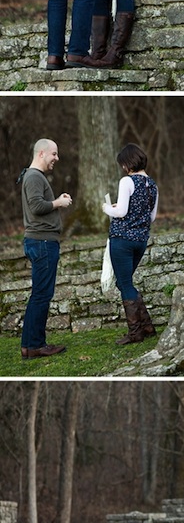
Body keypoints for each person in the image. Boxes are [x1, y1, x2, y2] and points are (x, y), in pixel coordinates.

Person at [18, 138, 72, 360]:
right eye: (54, 154)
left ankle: (32, 345)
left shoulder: (34, 177)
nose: (56, 159)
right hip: (42, 243)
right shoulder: (33, 177)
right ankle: (34, 346)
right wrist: (58, 203)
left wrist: (57, 199)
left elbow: (39, 203)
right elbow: (37, 206)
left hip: (42, 242)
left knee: (41, 294)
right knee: (41, 295)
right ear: (41, 153)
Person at [102, 143, 158, 345]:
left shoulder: (127, 181)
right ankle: (147, 326)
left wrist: (107, 207)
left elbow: (121, 212)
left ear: (127, 164)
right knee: (124, 283)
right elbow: (151, 217)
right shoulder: (152, 184)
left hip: (122, 240)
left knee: (124, 284)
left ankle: (136, 333)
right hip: (140, 241)